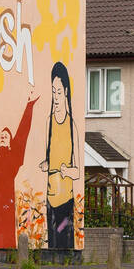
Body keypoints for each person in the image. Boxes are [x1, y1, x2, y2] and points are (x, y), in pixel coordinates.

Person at [0, 90, 38, 249]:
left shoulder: (13, 157)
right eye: (1, 135)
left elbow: (22, 133)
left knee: (6, 232)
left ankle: (9, 253)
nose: (3, 137)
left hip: (6, 202)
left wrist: (29, 106)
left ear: (10, 142)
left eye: (6, 136)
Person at [41, 62, 79, 250]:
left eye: (58, 91)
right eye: (53, 91)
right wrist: (45, 165)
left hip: (66, 198)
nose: (55, 96)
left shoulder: (72, 126)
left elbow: (78, 171)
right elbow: (47, 157)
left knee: (64, 241)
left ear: (65, 91)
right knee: (52, 244)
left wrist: (67, 171)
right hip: (50, 198)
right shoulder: (49, 123)